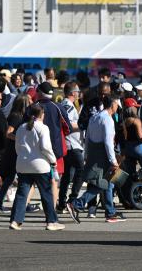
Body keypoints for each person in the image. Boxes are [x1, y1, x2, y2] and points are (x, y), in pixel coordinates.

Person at [66, 96, 126, 224]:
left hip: (93, 152)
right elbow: (108, 142)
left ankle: (110, 212)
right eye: (117, 104)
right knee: (102, 184)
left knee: (107, 183)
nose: (117, 107)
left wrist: (86, 154)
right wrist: (113, 161)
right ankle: (77, 204)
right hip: (102, 155)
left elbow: (87, 138)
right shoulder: (107, 120)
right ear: (113, 104)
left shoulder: (94, 117)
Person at [9, 104, 65, 231]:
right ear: (42, 115)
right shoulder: (43, 128)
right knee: (46, 193)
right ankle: (51, 221)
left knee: (22, 193)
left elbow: (17, 146)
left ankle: (15, 220)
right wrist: (53, 160)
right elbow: (46, 147)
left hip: (23, 164)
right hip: (40, 165)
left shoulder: (21, 127)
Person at [57, 82, 85, 212]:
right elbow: (66, 122)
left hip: (70, 144)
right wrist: (82, 125)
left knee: (67, 175)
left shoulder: (67, 104)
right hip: (71, 145)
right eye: (78, 91)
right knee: (81, 169)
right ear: (73, 93)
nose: (79, 94)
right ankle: (72, 199)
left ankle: (62, 202)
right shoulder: (67, 105)